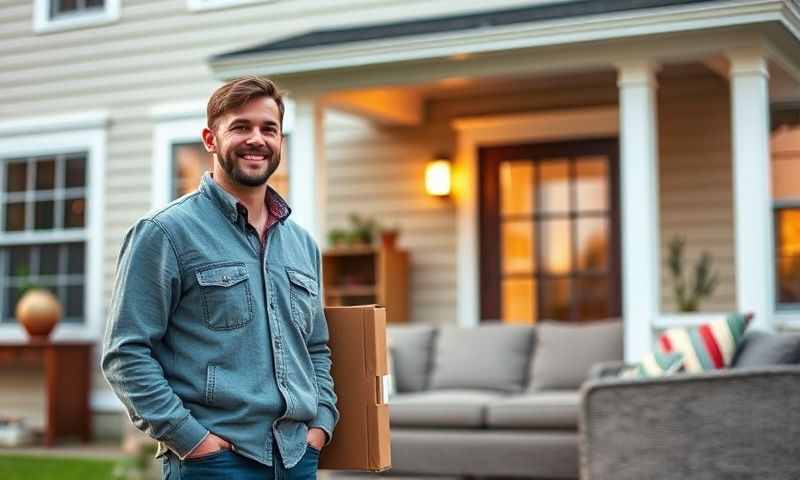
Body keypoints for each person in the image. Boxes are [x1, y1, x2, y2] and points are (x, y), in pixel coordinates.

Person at [102, 76, 338, 480]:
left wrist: (321, 424)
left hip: (298, 457)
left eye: (269, 129)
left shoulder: (302, 245)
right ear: (210, 139)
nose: (257, 139)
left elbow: (315, 348)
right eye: (241, 127)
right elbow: (126, 353)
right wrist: (190, 439)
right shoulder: (165, 233)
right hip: (216, 462)